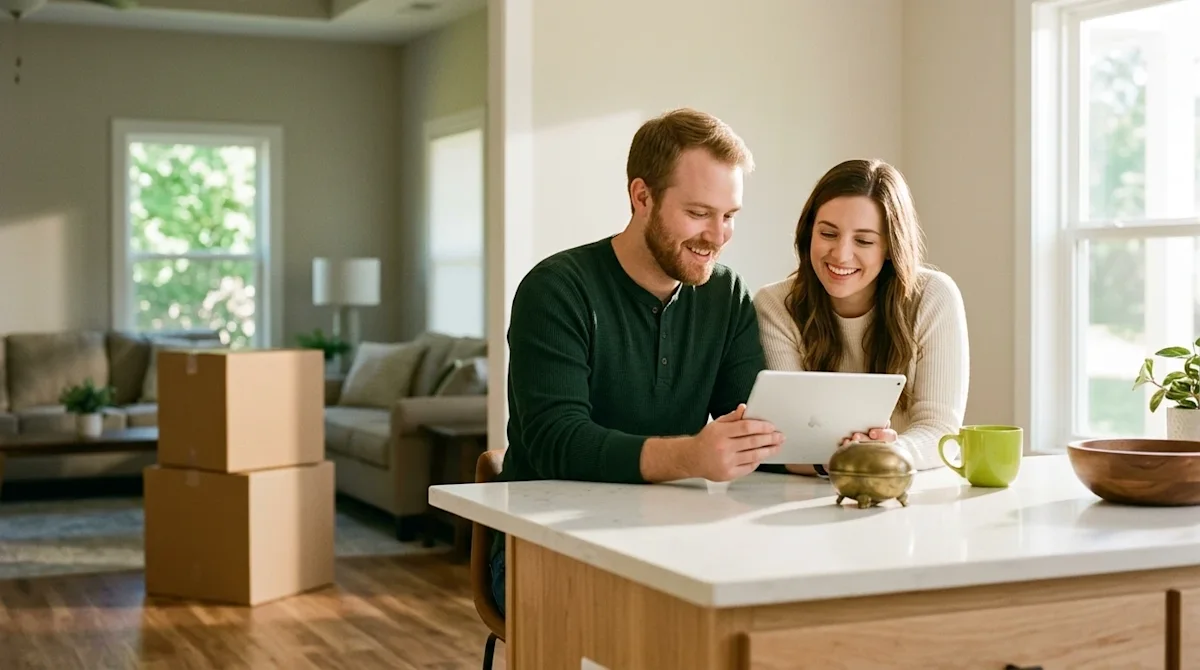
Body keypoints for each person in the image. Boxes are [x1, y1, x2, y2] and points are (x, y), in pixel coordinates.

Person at [489, 108, 785, 614]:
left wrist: (835, 447)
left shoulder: (724, 293)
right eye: (698, 213)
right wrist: (691, 457)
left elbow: (752, 418)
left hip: (673, 538)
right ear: (641, 196)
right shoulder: (556, 289)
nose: (718, 236)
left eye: (729, 216)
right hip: (542, 544)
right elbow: (555, 440)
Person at [753, 158, 969, 476]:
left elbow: (940, 431)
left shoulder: (933, 296)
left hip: (903, 487)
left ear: (891, 247)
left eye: (864, 241)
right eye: (828, 234)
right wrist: (839, 460)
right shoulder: (774, 305)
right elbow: (787, 439)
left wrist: (889, 452)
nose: (841, 254)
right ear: (808, 232)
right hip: (806, 492)